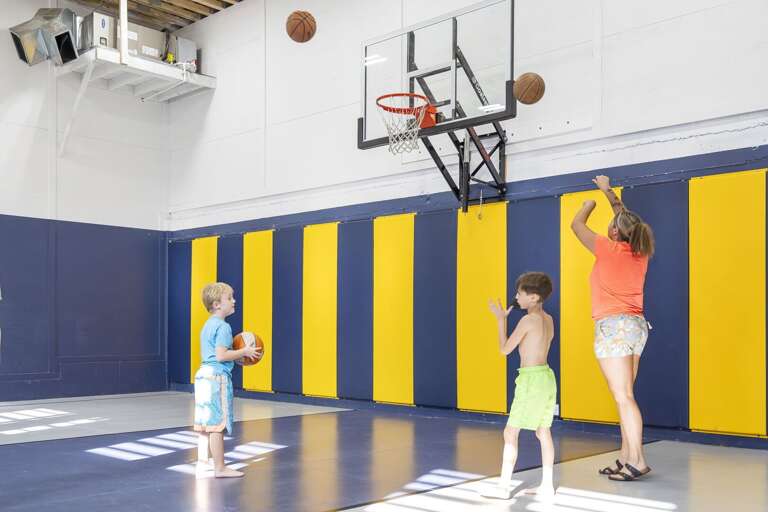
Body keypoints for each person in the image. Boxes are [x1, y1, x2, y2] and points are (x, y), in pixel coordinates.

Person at [570, 175, 655, 481]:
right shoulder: (639, 252)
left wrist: (588, 204)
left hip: (614, 326)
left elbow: (576, 226)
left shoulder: (607, 248)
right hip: (635, 326)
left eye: (612, 222)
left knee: (623, 397)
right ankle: (626, 457)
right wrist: (608, 192)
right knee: (625, 394)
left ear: (615, 231)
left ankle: (638, 460)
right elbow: (624, 215)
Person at [483, 272, 557, 499]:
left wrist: (500, 320)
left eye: (520, 293)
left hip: (531, 379)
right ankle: (547, 486)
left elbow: (504, 349)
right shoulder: (548, 319)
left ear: (534, 297)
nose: (516, 296)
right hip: (546, 377)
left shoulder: (527, 320)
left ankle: (503, 488)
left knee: (510, 431)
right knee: (543, 431)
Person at [193, 282, 259, 478]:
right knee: (217, 426)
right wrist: (245, 351)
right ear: (216, 304)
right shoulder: (223, 327)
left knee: (204, 424)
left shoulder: (207, 325)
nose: (234, 301)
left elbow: (215, 353)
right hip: (217, 378)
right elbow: (221, 356)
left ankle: (203, 462)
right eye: (229, 298)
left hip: (203, 375)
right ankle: (220, 468)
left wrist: (237, 356)